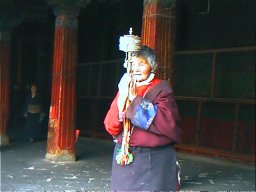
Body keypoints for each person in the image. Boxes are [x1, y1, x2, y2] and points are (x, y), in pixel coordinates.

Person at [104, 45, 182, 191]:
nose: (137, 68)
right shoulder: (125, 88)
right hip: (125, 158)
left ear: (152, 66)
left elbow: (167, 123)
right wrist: (122, 100)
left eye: (142, 64)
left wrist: (135, 98)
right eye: (133, 64)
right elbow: (111, 126)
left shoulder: (162, 88)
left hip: (151, 160)